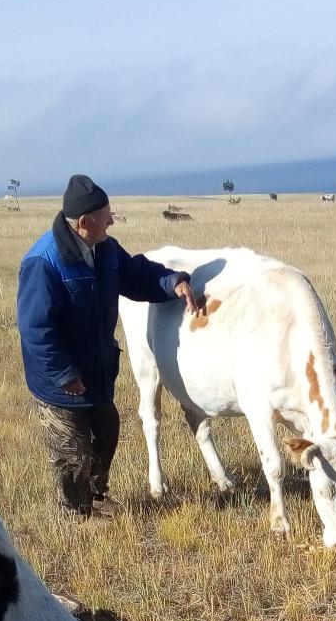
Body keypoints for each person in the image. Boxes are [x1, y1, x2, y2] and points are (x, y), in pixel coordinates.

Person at [16, 174, 203, 517]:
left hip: (96, 372)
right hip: (60, 384)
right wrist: (64, 374)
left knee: (107, 431)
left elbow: (136, 275)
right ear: (84, 222)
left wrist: (172, 282)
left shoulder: (105, 250)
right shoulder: (43, 263)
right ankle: (76, 514)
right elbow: (35, 330)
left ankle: (96, 496)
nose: (112, 221)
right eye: (106, 216)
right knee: (72, 452)